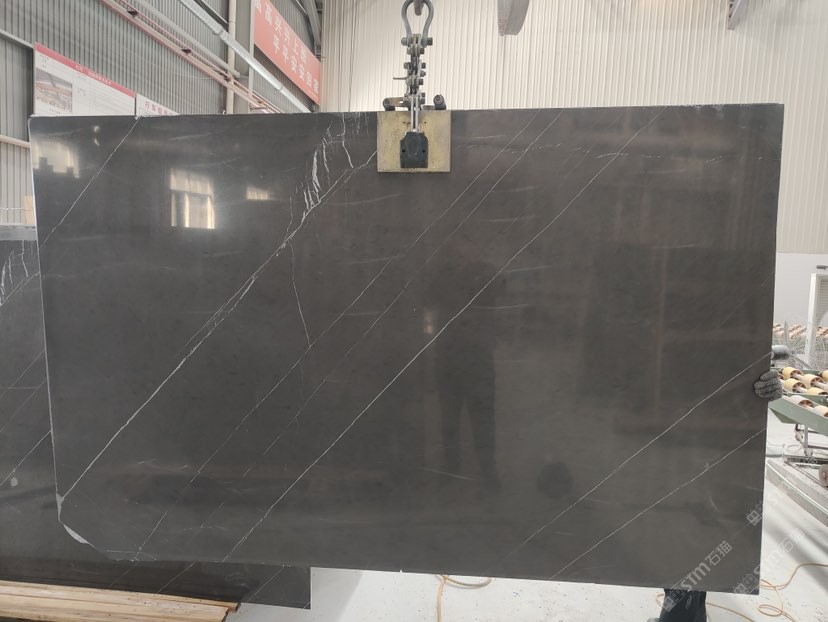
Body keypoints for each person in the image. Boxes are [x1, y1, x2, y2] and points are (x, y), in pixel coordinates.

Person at [648, 369, 783, 622]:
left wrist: (763, 379)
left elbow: (742, 364)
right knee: (668, 540)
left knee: (693, 543)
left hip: (713, 449)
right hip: (661, 443)